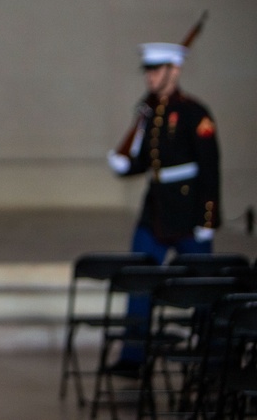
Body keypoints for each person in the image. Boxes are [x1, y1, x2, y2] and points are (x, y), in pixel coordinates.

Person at [105, 40, 221, 375]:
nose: (150, 78)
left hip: (189, 211)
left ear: (175, 70)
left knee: (204, 287)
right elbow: (148, 161)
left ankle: (211, 357)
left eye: (156, 71)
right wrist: (125, 166)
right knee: (139, 280)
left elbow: (210, 168)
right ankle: (133, 356)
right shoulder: (151, 111)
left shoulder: (194, 113)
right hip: (155, 210)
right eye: (149, 71)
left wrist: (208, 217)